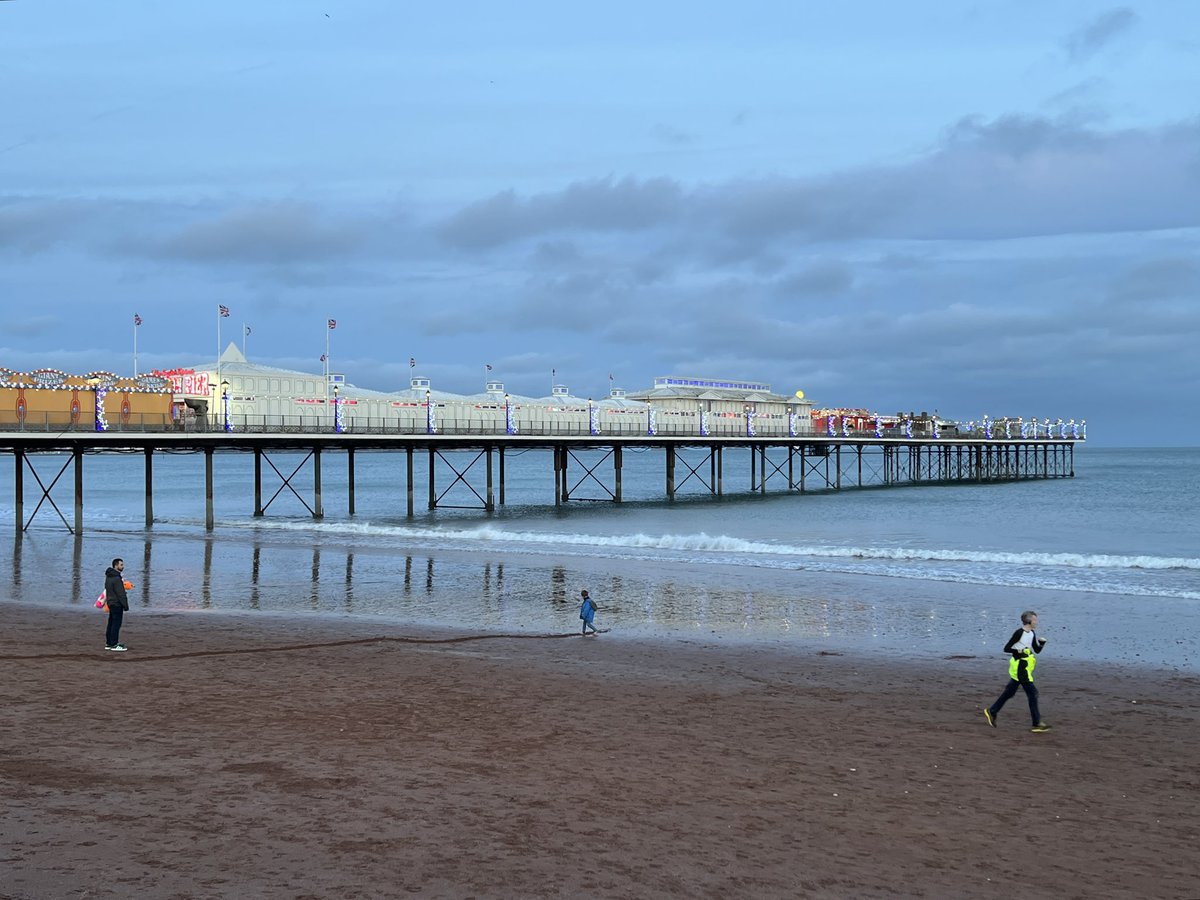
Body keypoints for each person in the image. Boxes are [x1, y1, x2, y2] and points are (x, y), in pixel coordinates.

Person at [983, 610, 1050, 732]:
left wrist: (1041, 644)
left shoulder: (1032, 633)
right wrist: (1018, 651)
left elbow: (1036, 650)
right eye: (1035, 620)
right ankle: (1036, 724)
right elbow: (1007, 648)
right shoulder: (1019, 633)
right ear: (1028, 621)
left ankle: (992, 711)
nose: (1036, 622)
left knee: (1010, 692)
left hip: (1026, 666)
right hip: (1020, 666)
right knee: (1033, 693)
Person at [104, 558, 131, 652]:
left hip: (111, 602)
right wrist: (126, 606)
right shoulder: (116, 578)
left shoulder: (109, 577)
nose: (123, 567)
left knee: (111, 623)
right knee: (116, 624)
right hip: (117, 604)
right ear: (116, 566)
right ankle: (114, 644)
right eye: (121, 565)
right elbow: (121, 594)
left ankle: (109, 643)